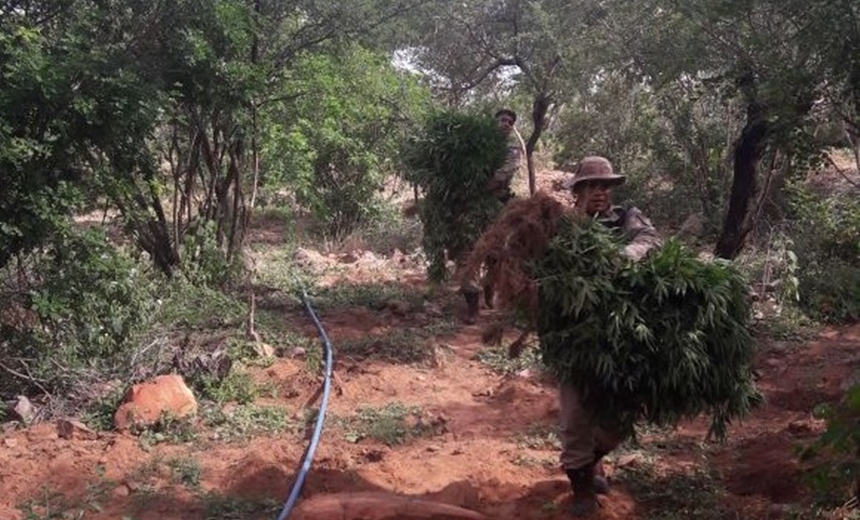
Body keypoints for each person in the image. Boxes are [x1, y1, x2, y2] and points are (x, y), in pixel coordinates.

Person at [557, 156, 661, 516]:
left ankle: (593, 458)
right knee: (575, 416)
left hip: (622, 333)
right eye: (590, 186)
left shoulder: (628, 216)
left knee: (623, 414)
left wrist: (625, 255)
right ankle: (581, 490)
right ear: (578, 191)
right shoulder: (564, 225)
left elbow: (650, 240)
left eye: (603, 186)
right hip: (574, 335)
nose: (598, 192)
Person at [459, 109, 525, 324]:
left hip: (497, 205)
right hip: (472, 206)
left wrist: (477, 188)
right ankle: (472, 307)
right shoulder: (477, 146)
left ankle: (490, 291)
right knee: (469, 253)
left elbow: (503, 175)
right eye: (502, 120)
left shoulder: (513, 150)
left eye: (510, 121)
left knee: (496, 255)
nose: (506, 123)